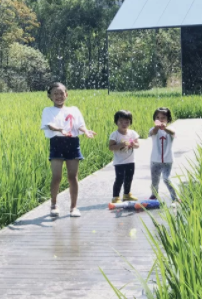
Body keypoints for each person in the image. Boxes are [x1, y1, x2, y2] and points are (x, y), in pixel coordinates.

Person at [41, 82, 96, 217]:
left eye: (61, 93)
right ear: (50, 96)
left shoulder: (74, 110)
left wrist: (86, 131)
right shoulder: (48, 110)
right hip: (57, 143)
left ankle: (74, 207)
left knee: (73, 177)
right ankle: (54, 204)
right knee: (57, 176)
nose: (59, 96)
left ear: (66, 94)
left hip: (72, 143)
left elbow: (80, 125)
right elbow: (50, 126)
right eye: (55, 94)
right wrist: (60, 129)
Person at [148, 107, 179, 203]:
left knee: (167, 179)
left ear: (168, 119)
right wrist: (157, 127)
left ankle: (175, 197)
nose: (160, 120)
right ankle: (154, 195)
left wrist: (165, 128)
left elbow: (173, 132)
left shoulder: (171, 130)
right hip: (155, 160)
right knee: (155, 181)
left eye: (163, 118)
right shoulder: (153, 130)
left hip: (167, 160)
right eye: (158, 117)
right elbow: (153, 132)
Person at [108, 110, 140, 203]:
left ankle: (126, 194)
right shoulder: (115, 134)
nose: (124, 124)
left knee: (129, 178)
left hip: (130, 161)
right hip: (119, 162)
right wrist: (120, 145)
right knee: (119, 179)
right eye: (121, 121)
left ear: (130, 122)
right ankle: (116, 197)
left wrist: (133, 144)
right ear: (116, 122)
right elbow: (110, 147)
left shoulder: (132, 133)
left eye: (127, 121)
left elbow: (138, 145)